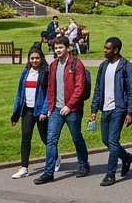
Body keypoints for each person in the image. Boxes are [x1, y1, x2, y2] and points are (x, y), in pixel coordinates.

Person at [32, 35, 90, 184]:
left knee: (76, 137)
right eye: (56, 48)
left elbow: (80, 87)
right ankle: (48, 172)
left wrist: (69, 106)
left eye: (60, 47)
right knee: (51, 141)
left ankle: (84, 165)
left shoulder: (76, 64)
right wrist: (50, 108)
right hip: (56, 110)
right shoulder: (53, 65)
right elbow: (51, 88)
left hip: (73, 109)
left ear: (67, 48)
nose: (57, 50)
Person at [90, 37, 132, 187]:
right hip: (105, 108)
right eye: (104, 48)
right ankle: (126, 157)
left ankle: (110, 174)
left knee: (112, 140)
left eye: (107, 48)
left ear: (115, 50)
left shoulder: (126, 66)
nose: (104, 50)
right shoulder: (103, 66)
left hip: (119, 108)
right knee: (106, 140)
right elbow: (98, 88)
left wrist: (130, 112)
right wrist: (93, 110)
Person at [10, 45, 50, 179]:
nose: (34, 61)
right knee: (25, 138)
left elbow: (49, 94)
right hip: (27, 110)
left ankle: (55, 157)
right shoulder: (25, 72)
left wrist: (45, 111)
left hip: (40, 111)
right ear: (28, 59)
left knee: (45, 138)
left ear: (41, 58)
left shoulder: (46, 72)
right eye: (32, 58)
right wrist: (15, 113)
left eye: (37, 58)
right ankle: (24, 168)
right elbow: (20, 93)